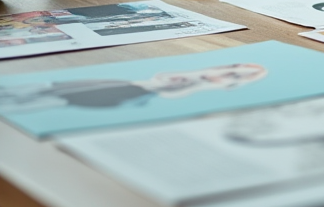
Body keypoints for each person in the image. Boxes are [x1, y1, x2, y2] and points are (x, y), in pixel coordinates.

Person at [0, 63, 267, 114]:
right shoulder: (176, 77)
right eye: (231, 68)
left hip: (115, 95)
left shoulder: (132, 96)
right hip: (103, 87)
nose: (222, 77)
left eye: (234, 78)